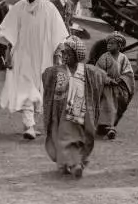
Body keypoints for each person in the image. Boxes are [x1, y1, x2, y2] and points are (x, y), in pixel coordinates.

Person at [0, 0, 69, 140]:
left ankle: (30, 124)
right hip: (22, 56)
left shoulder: (49, 8)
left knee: (39, 90)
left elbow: (59, 34)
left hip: (43, 56)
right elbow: (9, 31)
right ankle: (29, 126)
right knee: (26, 88)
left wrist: (58, 54)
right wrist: (9, 55)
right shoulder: (19, 6)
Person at [42, 35, 107, 178]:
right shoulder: (57, 71)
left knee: (74, 137)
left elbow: (102, 77)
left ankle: (75, 163)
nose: (64, 55)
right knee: (62, 136)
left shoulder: (87, 71)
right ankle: (68, 163)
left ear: (77, 55)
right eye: (63, 52)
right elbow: (46, 76)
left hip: (79, 107)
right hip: (60, 110)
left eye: (68, 53)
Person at [95, 31, 134, 139]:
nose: (109, 45)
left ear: (119, 46)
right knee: (108, 105)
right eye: (108, 43)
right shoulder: (104, 57)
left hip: (119, 87)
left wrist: (122, 79)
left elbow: (128, 72)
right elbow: (98, 71)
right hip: (106, 87)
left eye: (112, 43)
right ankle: (109, 127)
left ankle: (108, 126)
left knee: (119, 105)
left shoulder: (124, 58)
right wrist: (107, 79)